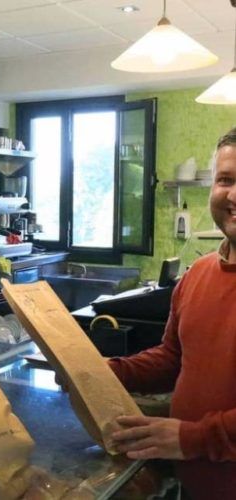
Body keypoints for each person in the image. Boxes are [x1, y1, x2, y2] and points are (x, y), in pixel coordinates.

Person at [109, 127, 236, 500]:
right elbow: (173, 358)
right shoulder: (198, 274)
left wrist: (189, 438)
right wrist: (108, 371)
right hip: (192, 485)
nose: (233, 194)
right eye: (226, 179)